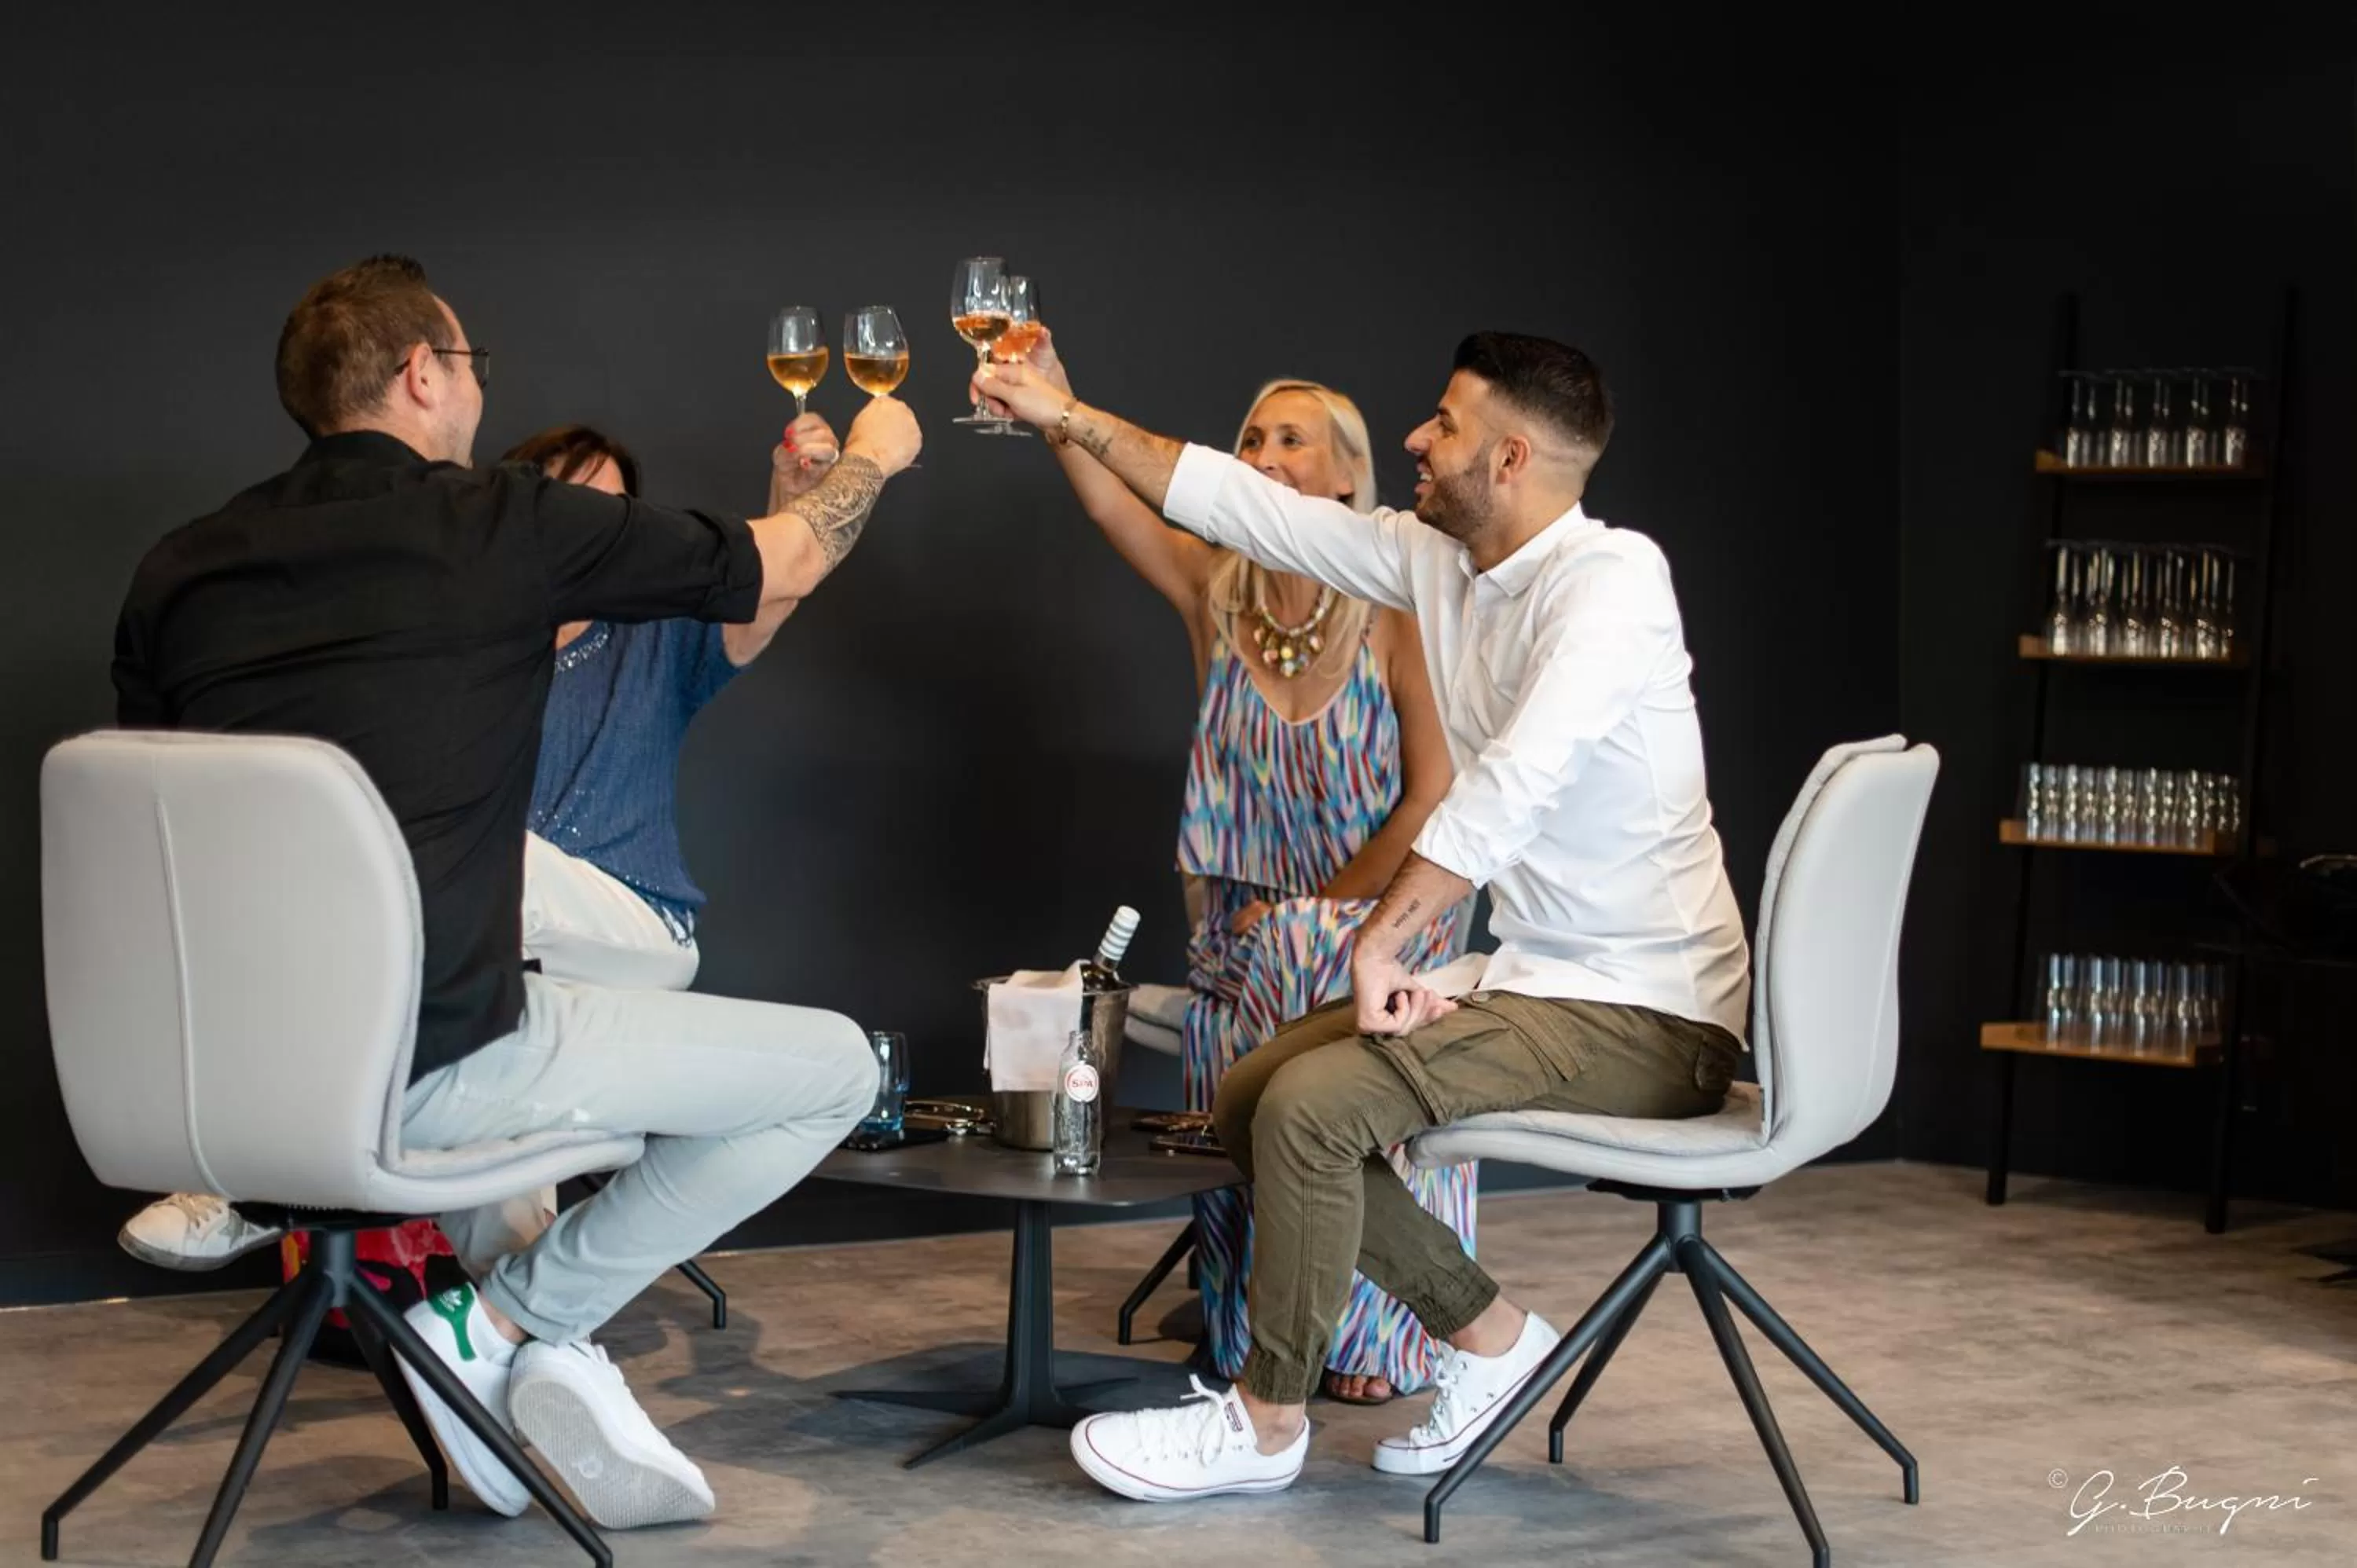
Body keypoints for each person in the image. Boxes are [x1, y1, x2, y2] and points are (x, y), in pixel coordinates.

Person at [112, 255, 922, 1530]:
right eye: (471, 364)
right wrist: (878, 452)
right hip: (434, 1063)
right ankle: (506, 1325)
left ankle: (510, 1357)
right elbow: (779, 565)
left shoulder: (179, 572)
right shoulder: (497, 526)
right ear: (424, 375)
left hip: (227, 1082)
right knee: (837, 1070)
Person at [973, 331, 1748, 1501]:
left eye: (1444, 422)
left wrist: (1382, 935)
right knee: (1246, 1097)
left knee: (1317, 1109)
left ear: (1511, 457)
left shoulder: (1614, 584)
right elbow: (1240, 507)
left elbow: (1510, 784)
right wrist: (1066, 414)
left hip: (1647, 1014)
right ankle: (1493, 1344)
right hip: (1540, 980)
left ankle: (1265, 1422)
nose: (1415, 440)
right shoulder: (1440, 565)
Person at [113, 416, 842, 1272]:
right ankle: (503, 1334)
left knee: (444, 863)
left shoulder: (660, 636)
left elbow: (772, 586)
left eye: (614, 512)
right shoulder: (462, 636)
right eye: (573, 504)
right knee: (490, 1073)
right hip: (494, 953)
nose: (595, 529)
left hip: (635, 928)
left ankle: (245, 1182)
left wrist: (796, 500)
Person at [1038, 339, 1468, 1405]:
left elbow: (1432, 799)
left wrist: (1327, 911)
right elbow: (1109, 507)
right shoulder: (1215, 590)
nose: (1265, 454)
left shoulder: (1398, 610)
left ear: (1342, 478)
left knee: (1321, 1024)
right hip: (1242, 930)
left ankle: (1371, 1336)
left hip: (1386, 919)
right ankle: (1254, 1322)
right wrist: (1056, 398)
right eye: (1250, 439)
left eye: (1292, 439)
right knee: (1231, 1035)